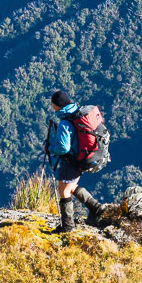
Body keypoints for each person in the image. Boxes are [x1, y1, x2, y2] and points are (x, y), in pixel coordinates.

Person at [45, 90, 104, 232]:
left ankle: (68, 226)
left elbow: (64, 148)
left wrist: (51, 149)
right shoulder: (76, 113)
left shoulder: (65, 122)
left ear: (57, 105)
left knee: (63, 190)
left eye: (53, 104)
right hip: (84, 156)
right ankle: (96, 208)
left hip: (72, 160)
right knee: (70, 186)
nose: (52, 107)